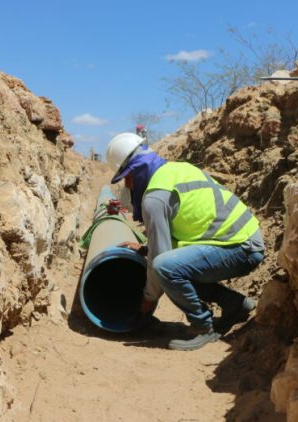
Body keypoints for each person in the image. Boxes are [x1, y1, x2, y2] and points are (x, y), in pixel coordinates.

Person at [106, 133, 265, 351]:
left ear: (136, 170)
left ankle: (202, 326)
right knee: (175, 265)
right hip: (243, 239)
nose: (127, 184)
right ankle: (235, 305)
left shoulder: (154, 198)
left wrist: (147, 303)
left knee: (165, 267)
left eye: (127, 177)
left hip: (240, 248)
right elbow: (185, 229)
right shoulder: (176, 169)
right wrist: (146, 248)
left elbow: (159, 261)